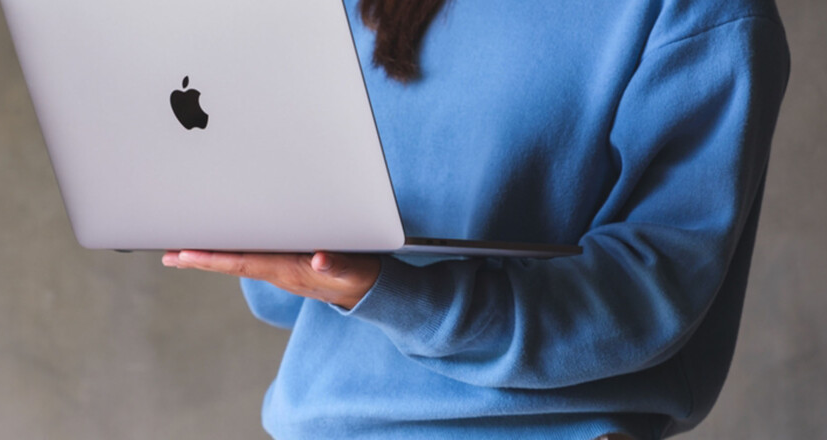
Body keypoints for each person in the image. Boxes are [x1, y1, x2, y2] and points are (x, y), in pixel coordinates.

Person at [162, 0, 790, 438]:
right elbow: (289, 306)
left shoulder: (699, 12)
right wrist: (264, 232)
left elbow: (649, 297)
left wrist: (396, 292)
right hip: (319, 426)